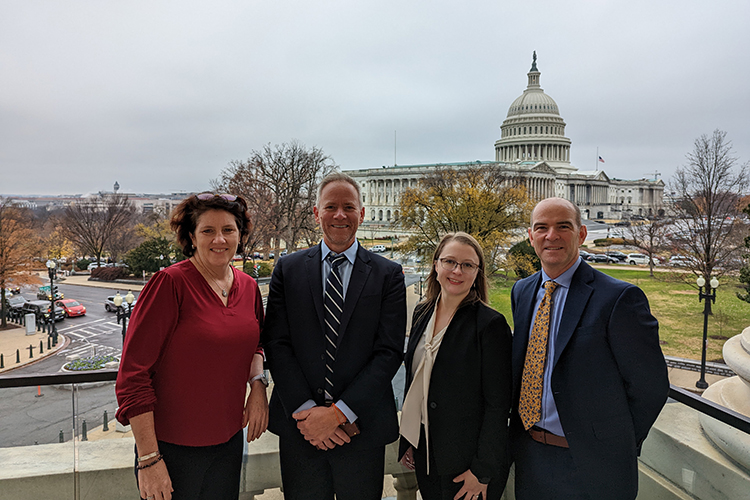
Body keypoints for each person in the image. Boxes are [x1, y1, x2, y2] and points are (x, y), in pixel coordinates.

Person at [510, 197, 669, 500]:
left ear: (581, 234)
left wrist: (614, 444)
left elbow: (650, 386)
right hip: (531, 458)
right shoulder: (523, 291)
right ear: (531, 237)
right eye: (541, 228)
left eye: (563, 227)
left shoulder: (619, 298)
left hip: (593, 468)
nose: (551, 236)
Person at [262, 172, 407, 500]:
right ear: (316, 214)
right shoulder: (289, 268)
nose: (340, 215)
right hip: (301, 429)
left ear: (362, 213)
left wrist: (339, 413)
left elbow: (388, 351)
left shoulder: (388, 274)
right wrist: (307, 413)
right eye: (331, 207)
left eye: (348, 207)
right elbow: (277, 344)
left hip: (360, 426)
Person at [116, 193, 269, 500]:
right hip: (171, 451)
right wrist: (149, 460)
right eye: (208, 231)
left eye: (228, 230)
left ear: (241, 236)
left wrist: (258, 386)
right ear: (191, 237)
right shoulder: (169, 285)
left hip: (228, 445)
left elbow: (257, 344)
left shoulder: (249, 287)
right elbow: (133, 376)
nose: (219, 239)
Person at [398, 232, 512, 500]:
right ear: (436, 265)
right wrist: (411, 440)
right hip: (426, 454)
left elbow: (498, 405)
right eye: (449, 261)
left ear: (477, 273)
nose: (457, 271)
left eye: (468, 265)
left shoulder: (489, 325)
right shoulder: (422, 312)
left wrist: (482, 471)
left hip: (467, 466)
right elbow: (416, 381)